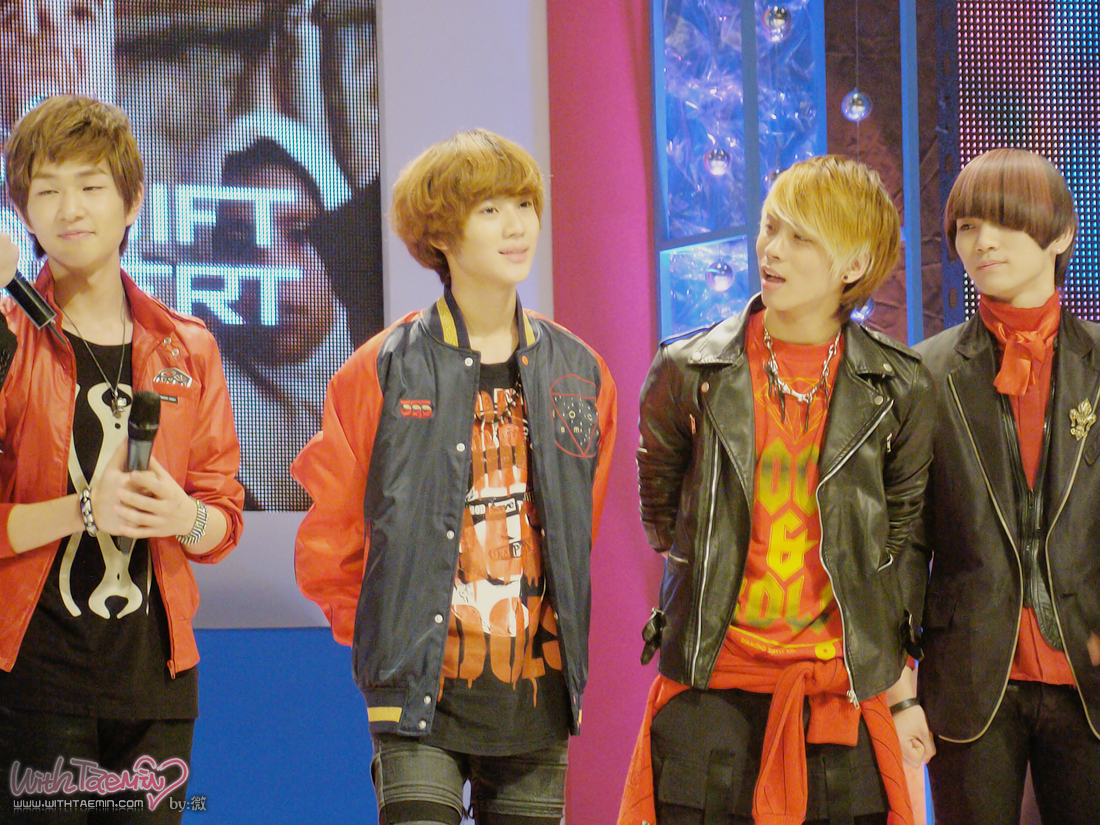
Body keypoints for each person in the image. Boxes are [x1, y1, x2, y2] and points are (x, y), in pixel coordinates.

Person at [292, 129, 616, 825]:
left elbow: (577, 526)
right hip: (420, 698)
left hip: (537, 696)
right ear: (440, 234)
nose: (516, 226)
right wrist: (389, 640)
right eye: (489, 210)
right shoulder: (381, 368)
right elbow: (330, 539)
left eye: (523, 205)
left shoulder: (580, 371)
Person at [620, 155, 936, 825]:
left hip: (836, 691)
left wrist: (900, 687)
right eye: (770, 227)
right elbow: (661, 510)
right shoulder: (690, 368)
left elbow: (897, 536)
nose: (772, 249)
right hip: (711, 684)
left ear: (853, 264)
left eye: (800, 237)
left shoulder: (900, 384)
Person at [0, 95, 244, 822]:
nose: (70, 208)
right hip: (31, 681)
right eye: (47, 190)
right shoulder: (9, 338)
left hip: (155, 687)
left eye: (91, 185)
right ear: (23, 212)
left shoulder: (188, 347)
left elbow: (221, 522)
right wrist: (83, 508)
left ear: (133, 201)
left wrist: (184, 515)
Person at [915, 148, 1100, 824]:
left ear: (1061, 234)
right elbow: (903, 539)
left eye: (1004, 222)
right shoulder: (924, 372)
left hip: (1088, 674)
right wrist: (898, 684)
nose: (982, 242)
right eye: (967, 226)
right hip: (968, 677)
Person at [209, 113, 356, 510]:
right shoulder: (193, 402)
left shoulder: (390, 374)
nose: (273, 275)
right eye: (239, 240)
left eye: (300, 233)